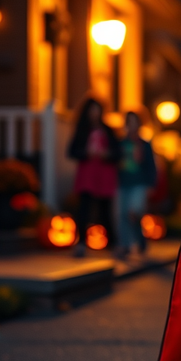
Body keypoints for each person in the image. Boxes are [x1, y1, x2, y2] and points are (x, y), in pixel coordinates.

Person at [67, 98, 118, 257]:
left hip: (104, 175)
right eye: (92, 110)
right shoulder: (82, 131)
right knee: (84, 208)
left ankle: (113, 243)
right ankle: (81, 242)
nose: (94, 114)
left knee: (105, 210)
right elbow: (71, 151)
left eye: (97, 110)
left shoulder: (108, 130)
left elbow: (118, 153)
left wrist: (107, 154)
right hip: (87, 174)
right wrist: (85, 153)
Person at [115, 110, 157, 258]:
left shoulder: (144, 145)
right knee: (122, 214)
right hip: (122, 183)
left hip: (139, 183)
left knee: (134, 212)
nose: (132, 125)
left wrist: (151, 184)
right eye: (129, 122)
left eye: (135, 122)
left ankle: (140, 240)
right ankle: (125, 245)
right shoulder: (120, 143)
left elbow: (151, 166)